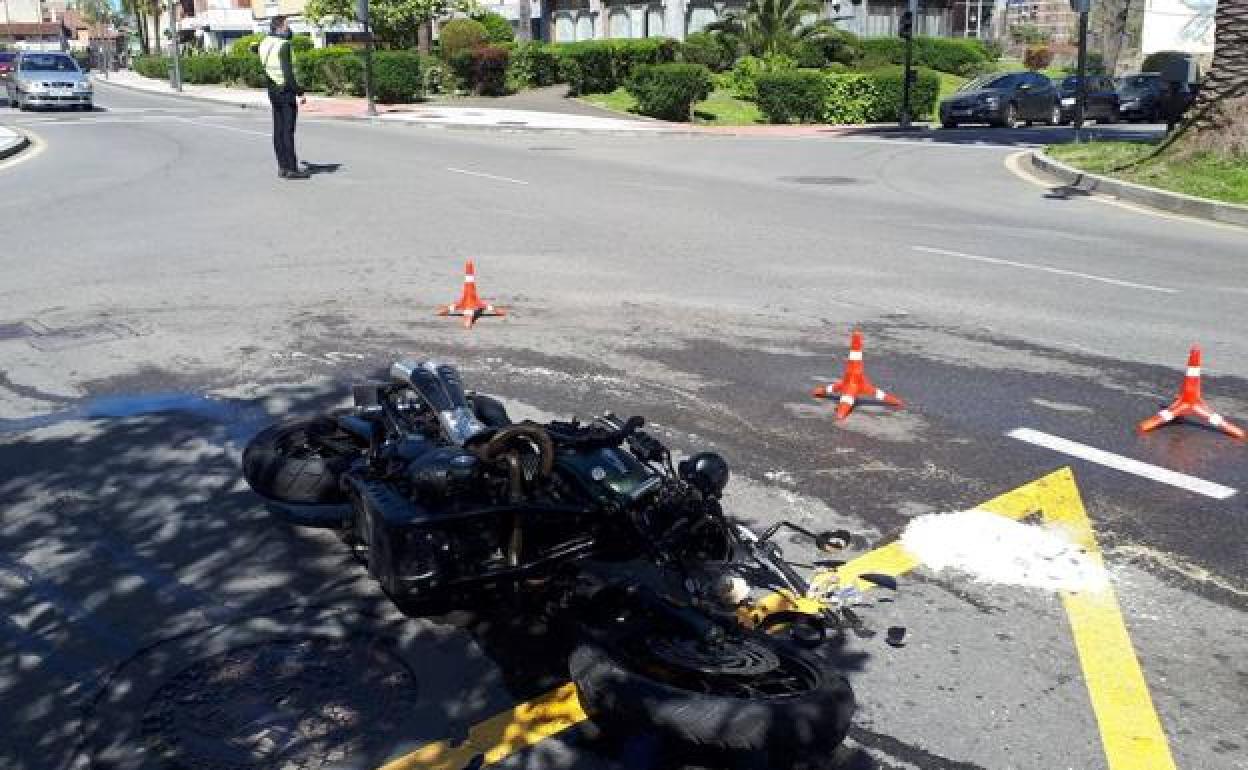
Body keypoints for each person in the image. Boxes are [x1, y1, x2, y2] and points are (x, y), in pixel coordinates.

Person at [258, 16, 308, 179]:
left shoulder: (264, 43)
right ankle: (292, 169)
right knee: (288, 131)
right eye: (287, 26)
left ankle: (282, 167)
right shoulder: (283, 45)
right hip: (286, 92)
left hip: (272, 90)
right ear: (279, 28)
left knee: (278, 131)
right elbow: (288, 74)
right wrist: (299, 91)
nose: (289, 29)